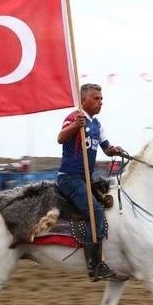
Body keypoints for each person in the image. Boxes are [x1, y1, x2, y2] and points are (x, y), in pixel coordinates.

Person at [57, 83, 127, 282]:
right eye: (96, 98)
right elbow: (60, 138)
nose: (100, 102)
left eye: (101, 99)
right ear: (83, 100)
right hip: (69, 178)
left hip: (87, 179)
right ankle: (94, 265)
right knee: (95, 210)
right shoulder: (74, 117)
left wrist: (114, 150)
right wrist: (74, 126)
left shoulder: (97, 124)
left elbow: (106, 148)